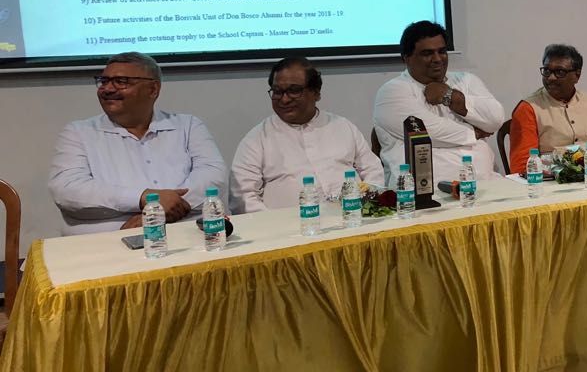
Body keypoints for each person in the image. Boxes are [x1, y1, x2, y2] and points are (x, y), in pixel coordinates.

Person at [48, 52, 226, 235]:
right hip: (104, 242)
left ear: (153, 89)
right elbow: (67, 190)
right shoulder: (78, 132)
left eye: (121, 82)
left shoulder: (187, 126)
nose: (107, 89)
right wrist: (143, 199)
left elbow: (212, 176)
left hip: (185, 235)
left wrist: (160, 212)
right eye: (104, 81)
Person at [230, 56, 384, 212]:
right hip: (289, 224)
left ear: (316, 93)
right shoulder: (257, 139)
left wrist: (366, 204)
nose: (284, 99)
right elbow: (242, 198)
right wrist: (274, 223)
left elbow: (372, 170)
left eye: (294, 91)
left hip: (352, 217)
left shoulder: (343, 126)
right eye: (277, 92)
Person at [373, 21, 504, 186]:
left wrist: (449, 95)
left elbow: (495, 119)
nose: (437, 59)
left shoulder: (466, 80)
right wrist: (475, 132)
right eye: (427, 53)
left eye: (442, 51)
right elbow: (428, 132)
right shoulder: (392, 91)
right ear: (406, 58)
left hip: (485, 183)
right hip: (423, 192)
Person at [509, 44, 587, 174]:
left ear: (577, 75)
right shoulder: (528, 108)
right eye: (547, 71)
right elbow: (522, 167)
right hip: (549, 182)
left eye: (560, 72)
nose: (551, 77)